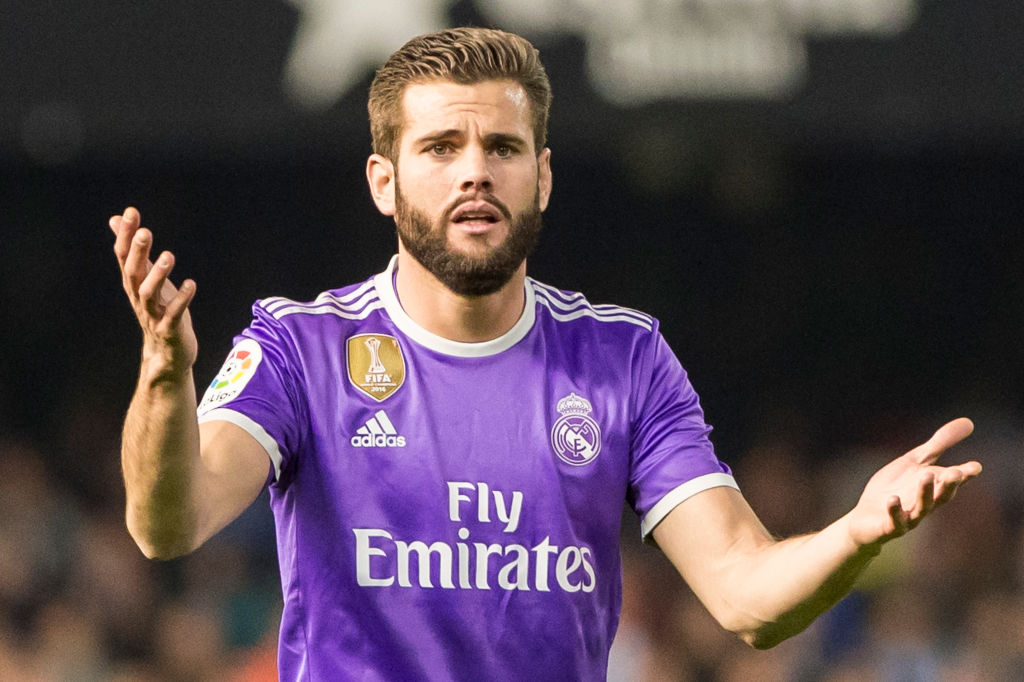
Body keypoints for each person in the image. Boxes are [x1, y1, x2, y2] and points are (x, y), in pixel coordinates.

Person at [109, 27, 982, 680]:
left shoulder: (624, 360)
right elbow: (164, 526)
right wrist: (164, 378)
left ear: (545, 175)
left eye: (502, 147)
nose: (475, 172)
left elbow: (746, 596)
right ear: (384, 182)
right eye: (441, 148)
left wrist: (856, 534)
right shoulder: (303, 349)